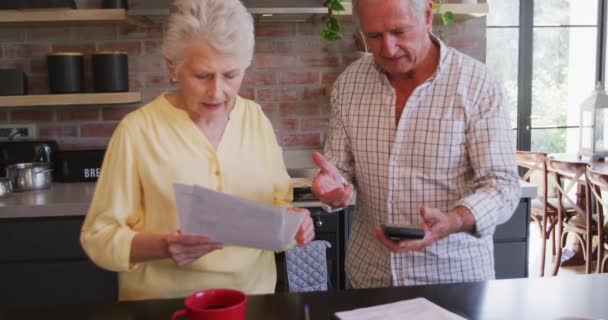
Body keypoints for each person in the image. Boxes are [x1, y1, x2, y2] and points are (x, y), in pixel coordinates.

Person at [80, 0, 314, 301]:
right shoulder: (137, 131)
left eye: (231, 75)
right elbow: (99, 238)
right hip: (165, 306)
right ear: (172, 68)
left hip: (252, 302)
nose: (217, 92)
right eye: (202, 76)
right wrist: (163, 247)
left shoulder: (255, 119)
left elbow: (278, 207)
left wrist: (294, 225)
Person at [312, 0, 520, 288]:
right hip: (371, 279)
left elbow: (503, 184)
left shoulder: (477, 84)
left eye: (399, 31)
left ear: (427, 16)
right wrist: (333, 187)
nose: (388, 48)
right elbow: (340, 169)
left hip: (453, 280)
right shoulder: (348, 85)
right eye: (374, 36)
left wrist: (455, 220)